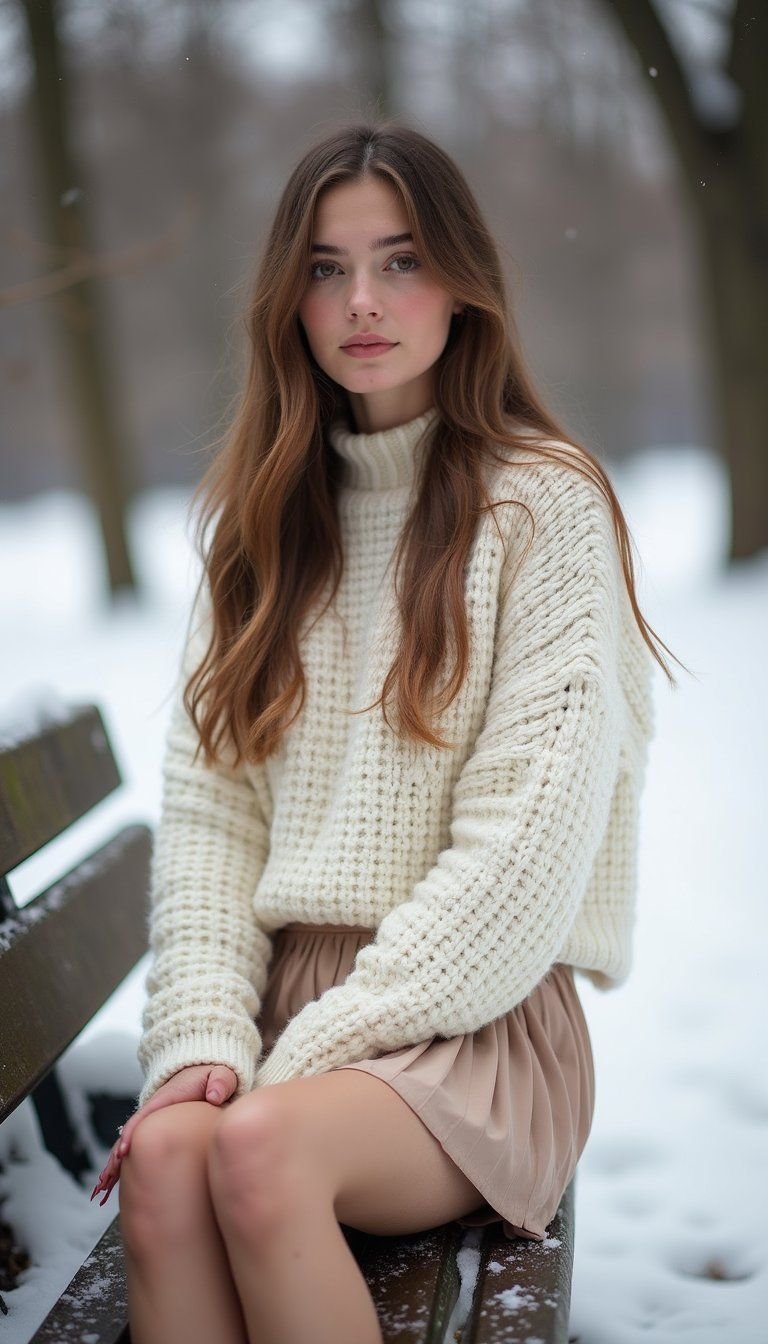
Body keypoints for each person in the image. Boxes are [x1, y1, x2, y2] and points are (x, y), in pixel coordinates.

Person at [90, 119, 680, 1344]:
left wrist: (308, 1054)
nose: (362, 299)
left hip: (476, 1018)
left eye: (401, 260)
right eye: (325, 266)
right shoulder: (260, 529)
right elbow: (212, 826)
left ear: (463, 283)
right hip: (276, 1008)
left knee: (253, 1153)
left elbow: (520, 859)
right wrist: (203, 1034)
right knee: (169, 1162)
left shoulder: (544, 504)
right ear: (288, 300)